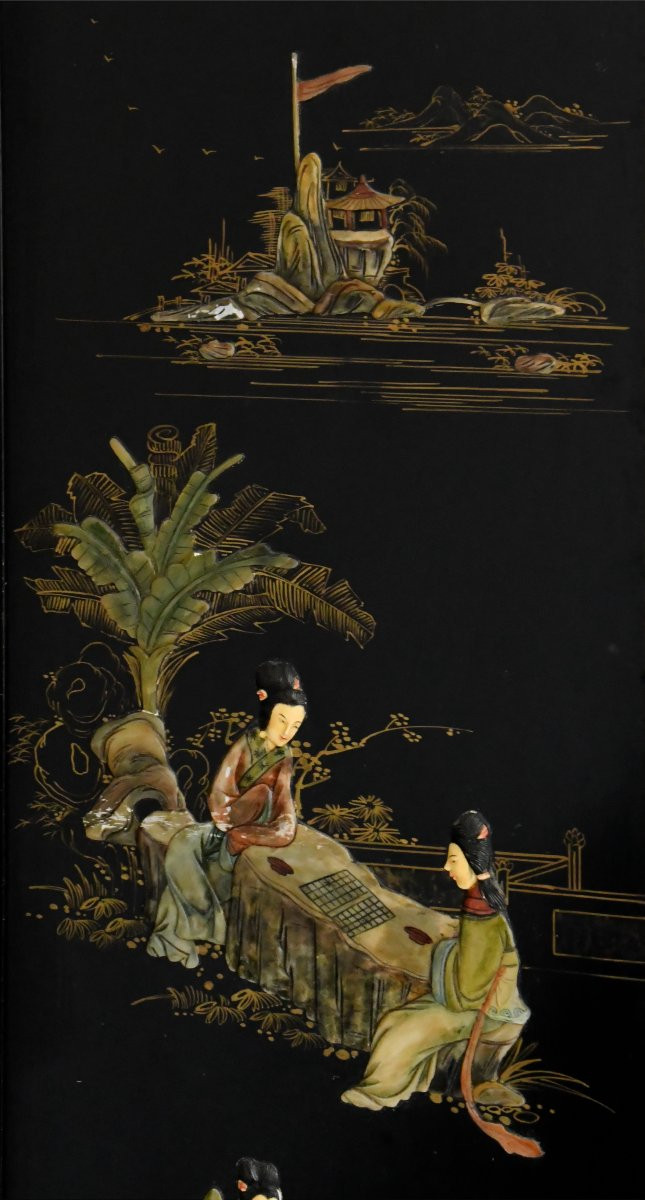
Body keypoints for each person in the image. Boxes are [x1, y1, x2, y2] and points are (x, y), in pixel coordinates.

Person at [341, 809, 530, 1113]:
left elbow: (467, 992)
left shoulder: (482, 912)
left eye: (453, 860)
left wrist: (445, 953)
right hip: (477, 998)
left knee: (403, 1029)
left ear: (472, 861)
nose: (447, 867)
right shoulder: (482, 901)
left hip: (491, 1008)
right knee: (394, 1020)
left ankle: (378, 1093)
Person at [147, 660, 306, 968]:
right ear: (267, 709)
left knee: (263, 794)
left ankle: (177, 938)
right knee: (182, 845)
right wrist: (225, 816)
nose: (288, 732)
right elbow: (221, 789)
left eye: (295, 726)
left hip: (246, 834)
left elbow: (285, 806)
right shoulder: (247, 743)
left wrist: (270, 828)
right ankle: (190, 932)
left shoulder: (284, 757)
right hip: (225, 823)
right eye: (282, 720)